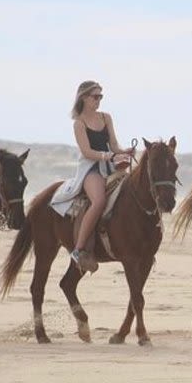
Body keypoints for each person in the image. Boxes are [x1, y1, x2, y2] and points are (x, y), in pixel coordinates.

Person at [50, 80, 133, 273]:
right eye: (95, 97)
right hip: (91, 168)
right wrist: (110, 156)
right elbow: (87, 152)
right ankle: (78, 250)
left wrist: (124, 152)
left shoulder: (106, 117)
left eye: (101, 96)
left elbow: (113, 145)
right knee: (98, 201)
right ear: (84, 98)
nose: (99, 100)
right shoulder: (79, 123)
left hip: (110, 165)